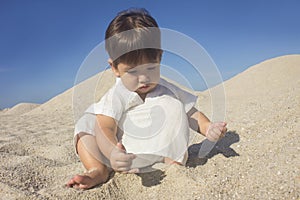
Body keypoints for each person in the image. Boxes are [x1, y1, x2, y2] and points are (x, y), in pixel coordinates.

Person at [67, 8, 227, 190]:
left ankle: (170, 160)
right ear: (114, 68)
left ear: (160, 57)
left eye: (151, 68)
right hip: (122, 151)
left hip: (160, 151)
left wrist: (208, 128)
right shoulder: (117, 93)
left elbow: (191, 112)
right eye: (133, 71)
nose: (143, 79)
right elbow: (106, 127)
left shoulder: (166, 87)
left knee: (174, 104)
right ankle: (97, 169)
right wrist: (113, 152)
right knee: (87, 122)